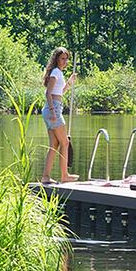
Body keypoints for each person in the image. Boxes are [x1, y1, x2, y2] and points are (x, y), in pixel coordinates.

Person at [41, 47, 79, 184]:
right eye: (62, 58)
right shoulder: (55, 72)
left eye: (66, 58)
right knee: (65, 142)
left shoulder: (58, 73)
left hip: (53, 108)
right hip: (53, 109)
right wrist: (53, 111)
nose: (65, 61)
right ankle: (64, 176)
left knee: (54, 144)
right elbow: (48, 93)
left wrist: (69, 82)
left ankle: (46, 177)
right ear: (56, 59)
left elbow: (60, 92)